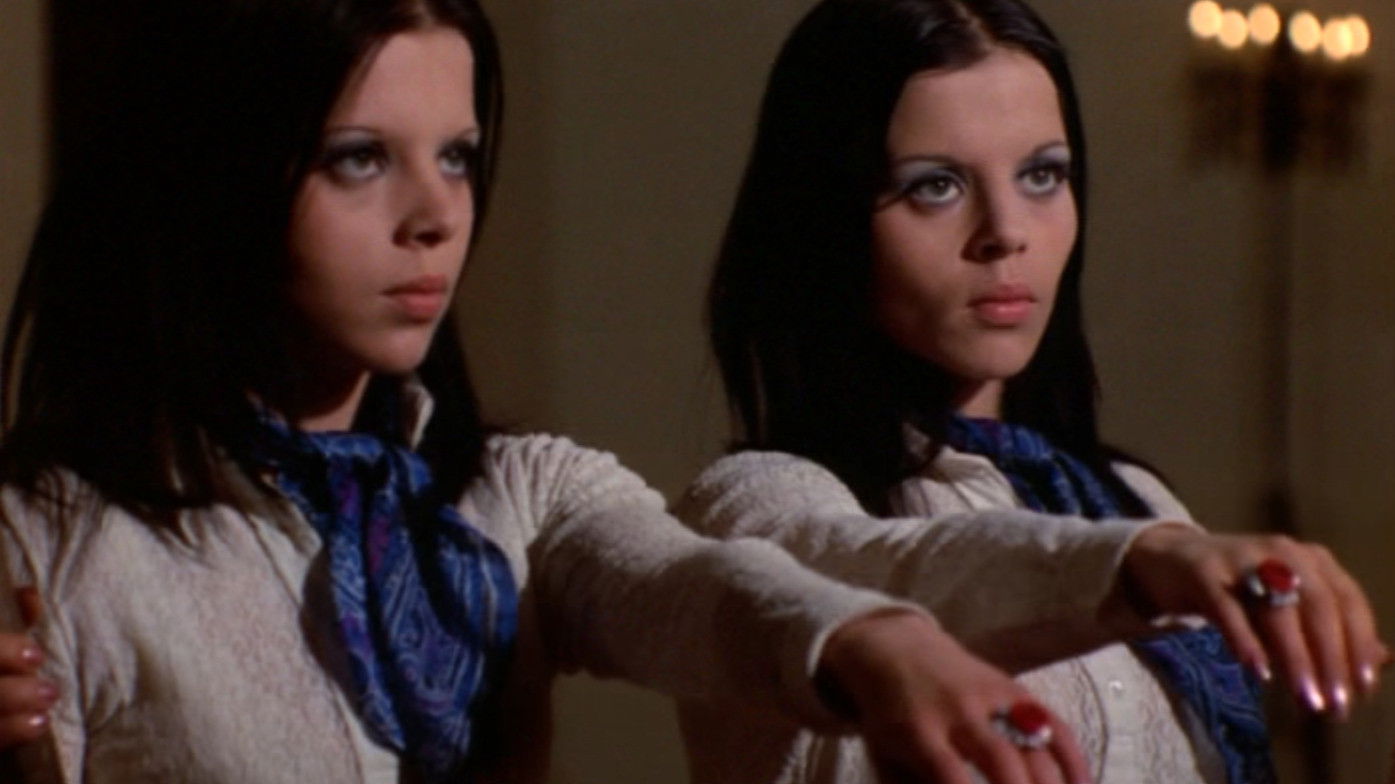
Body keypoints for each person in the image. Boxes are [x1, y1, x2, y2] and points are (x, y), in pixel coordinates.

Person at [0, 0, 1100, 782]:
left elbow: (698, 591)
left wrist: (873, 644)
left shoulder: (517, 495)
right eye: (359, 159)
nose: (436, 215)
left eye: (457, 156)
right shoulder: (57, 536)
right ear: (221, 176)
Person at [676, 0, 1388, 782]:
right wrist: (1145, 561)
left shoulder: (1130, 497)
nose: (1006, 231)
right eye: (935, 186)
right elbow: (871, 567)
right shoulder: (753, 508)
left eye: (1041, 175)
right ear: (824, 218)